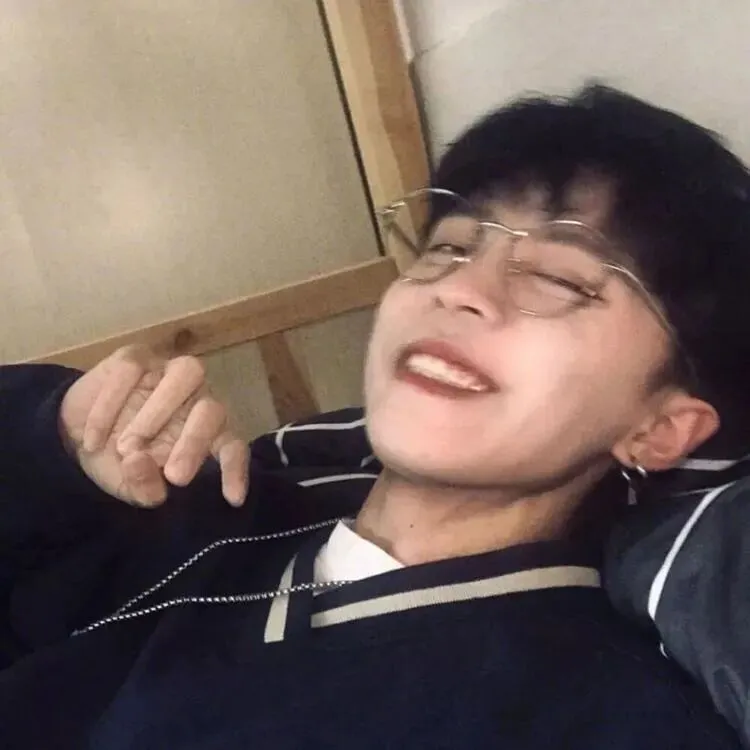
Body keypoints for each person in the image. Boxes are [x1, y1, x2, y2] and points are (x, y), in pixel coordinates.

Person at [0, 84, 745, 749]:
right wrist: (53, 441)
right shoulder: (209, 505)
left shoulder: (608, 718)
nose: (461, 289)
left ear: (659, 431)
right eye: (450, 246)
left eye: (560, 279)